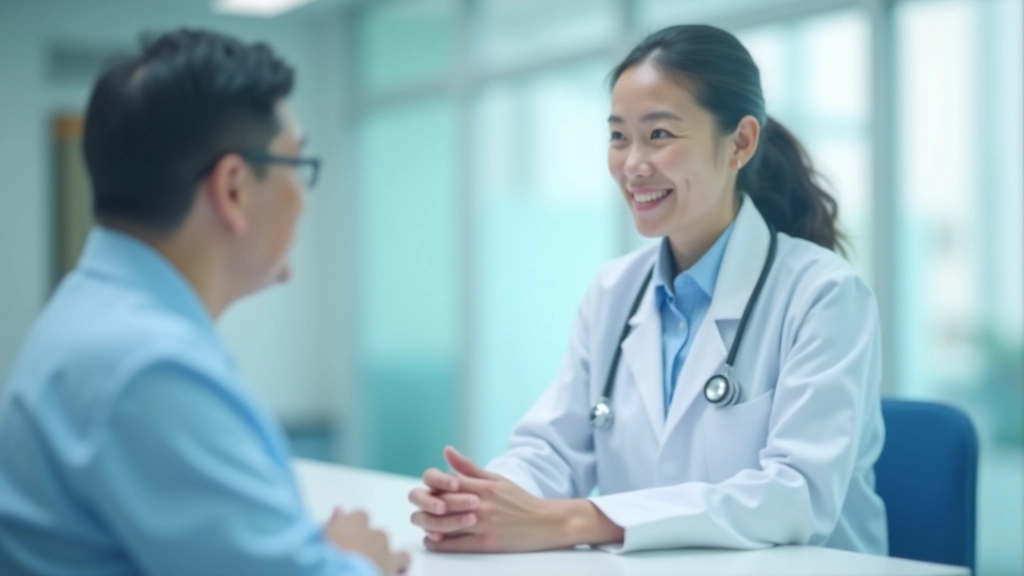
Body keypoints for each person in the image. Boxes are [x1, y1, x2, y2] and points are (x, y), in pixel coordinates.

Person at [407, 24, 887, 555]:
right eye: (618, 136)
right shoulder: (615, 290)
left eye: (659, 135)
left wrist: (574, 521)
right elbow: (551, 448)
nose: (633, 164)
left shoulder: (825, 296)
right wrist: (480, 503)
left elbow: (796, 497)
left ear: (741, 143)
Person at [0, 29, 407, 576]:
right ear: (234, 188)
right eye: (298, 167)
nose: (303, 203)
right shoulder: (147, 367)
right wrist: (354, 561)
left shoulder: (93, 314)